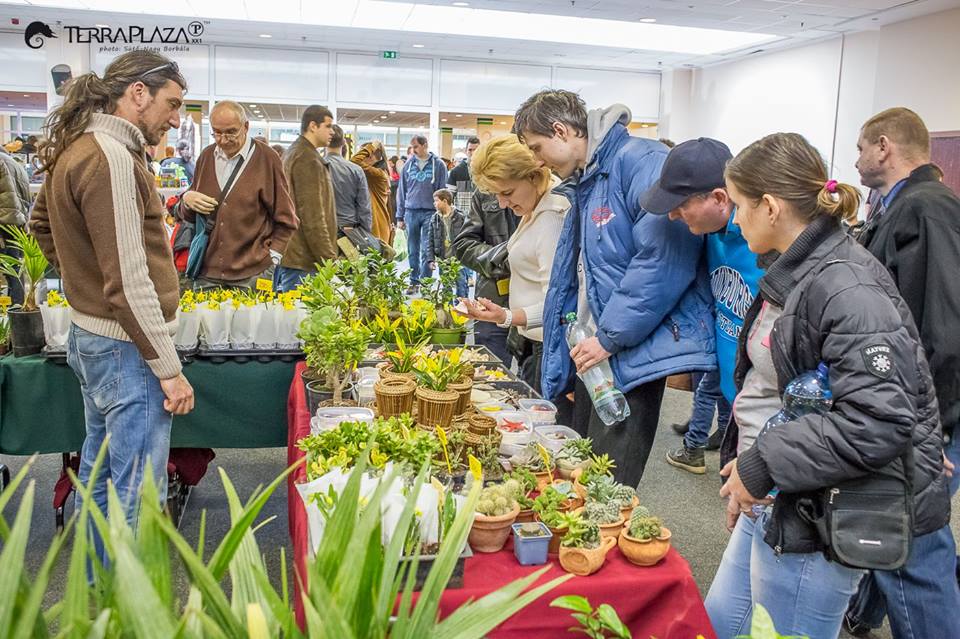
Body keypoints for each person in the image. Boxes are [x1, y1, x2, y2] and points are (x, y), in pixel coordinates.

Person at [704, 132, 952, 639]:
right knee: (721, 624)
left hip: (817, 510)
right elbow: (788, 390)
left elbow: (877, 420)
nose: (733, 219)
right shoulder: (798, 270)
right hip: (782, 490)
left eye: (741, 206)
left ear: (770, 207)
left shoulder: (845, 286)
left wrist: (765, 460)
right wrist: (755, 459)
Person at [28, 51, 195, 551]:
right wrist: (169, 367)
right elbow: (128, 280)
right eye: (173, 103)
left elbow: (41, 225)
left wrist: (80, 275)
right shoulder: (112, 158)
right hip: (127, 350)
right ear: (137, 94)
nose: (176, 117)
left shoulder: (78, 147)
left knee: (100, 476)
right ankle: (126, 609)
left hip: (93, 337)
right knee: (135, 492)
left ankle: (97, 600)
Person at [514, 89, 714, 488]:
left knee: (609, 484)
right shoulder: (588, 177)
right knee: (585, 471)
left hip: (627, 350)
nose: (538, 161)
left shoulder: (642, 161)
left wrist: (609, 337)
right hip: (599, 348)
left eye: (538, 148)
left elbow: (660, 263)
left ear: (561, 131)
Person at [843, 107, 960, 638]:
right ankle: (865, 612)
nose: (857, 159)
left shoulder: (927, 209)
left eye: (862, 147)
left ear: (884, 146)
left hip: (928, 411)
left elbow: (943, 328)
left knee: (914, 541)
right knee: (893, 523)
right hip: (917, 402)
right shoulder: (904, 206)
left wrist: (927, 430)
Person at [640, 138, 765, 474]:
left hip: (764, 415)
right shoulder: (708, 233)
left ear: (720, 198)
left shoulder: (765, 245)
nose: (672, 214)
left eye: (681, 204)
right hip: (736, 403)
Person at [459, 135, 570, 400]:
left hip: (547, 349)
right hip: (533, 344)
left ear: (533, 176)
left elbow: (558, 303)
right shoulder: (535, 206)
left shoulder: (551, 216)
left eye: (507, 193)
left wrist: (505, 316)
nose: (502, 203)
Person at [178, 100, 297, 291]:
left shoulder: (267, 159)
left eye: (230, 132)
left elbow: (286, 218)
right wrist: (187, 199)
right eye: (217, 132)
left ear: (246, 127)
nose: (223, 139)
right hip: (207, 273)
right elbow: (188, 216)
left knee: (252, 322)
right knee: (204, 322)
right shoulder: (206, 157)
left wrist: (273, 258)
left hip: (253, 273)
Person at [274, 105, 337, 292]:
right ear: (313, 126)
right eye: (328, 126)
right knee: (302, 318)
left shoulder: (295, 151)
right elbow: (312, 216)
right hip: (305, 260)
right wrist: (328, 259)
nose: (332, 131)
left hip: (296, 257)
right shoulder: (307, 158)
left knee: (292, 317)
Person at [453, 190, 519, 366]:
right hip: (492, 296)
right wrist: (505, 258)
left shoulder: (550, 187)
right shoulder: (484, 193)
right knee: (489, 372)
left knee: (533, 382)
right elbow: (463, 245)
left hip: (537, 302)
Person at [396, 135, 448, 293]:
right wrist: (399, 216)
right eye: (411, 147)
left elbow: (442, 191)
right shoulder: (408, 165)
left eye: (416, 146)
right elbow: (402, 191)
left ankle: (425, 283)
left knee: (427, 249)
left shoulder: (438, 165)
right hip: (411, 211)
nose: (413, 150)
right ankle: (413, 281)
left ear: (425, 145)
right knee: (412, 249)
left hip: (430, 212)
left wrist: (442, 212)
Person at [325, 124, 373, 236]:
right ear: (343, 143)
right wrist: (366, 234)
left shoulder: (316, 167)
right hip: (349, 231)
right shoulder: (356, 170)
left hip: (323, 230)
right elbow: (364, 207)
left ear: (325, 142)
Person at [0, 146, 31, 305]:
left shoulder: (1, 162)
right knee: (15, 271)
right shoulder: (17, 164)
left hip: (3, 224)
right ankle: (17, 313)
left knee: (9, 272)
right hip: (17, 225)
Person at [425, 189, 468, 297]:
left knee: (462, 286)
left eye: (436, 201)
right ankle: (448, 310)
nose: (434, 204)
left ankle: (462, 311)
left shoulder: (461, 217)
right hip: (443, 259)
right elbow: (429, 240)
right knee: (446, 288)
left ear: (445, 201)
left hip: (458, 260)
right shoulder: (434, 219)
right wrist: (431, 259)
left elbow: (467, 238)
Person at [352, 140, 393, 245]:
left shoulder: (377, 174)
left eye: (366, 154)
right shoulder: (377, 173)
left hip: (377, 225)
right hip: (377, 223)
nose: (363, 157)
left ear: (375, 157)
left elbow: (355, 160)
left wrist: (371, 147)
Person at [447, 136, 480, 214]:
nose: (473, 152)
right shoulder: (456, 171)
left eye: (476, 150)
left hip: (481, 214)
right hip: (461, 215)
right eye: (470, 150)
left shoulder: (486, 170)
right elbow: (449, 195)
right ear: (466, 151)